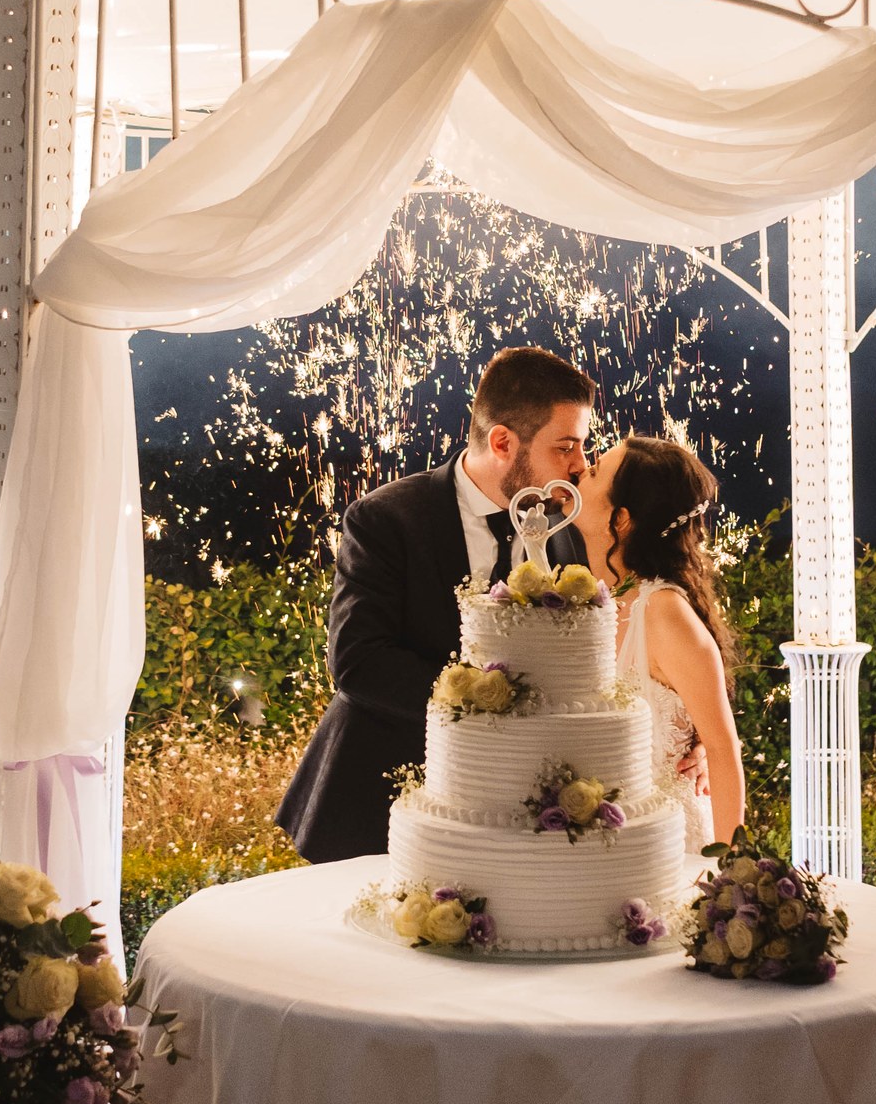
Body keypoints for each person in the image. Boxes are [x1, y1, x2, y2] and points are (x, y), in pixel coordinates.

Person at [275, 346, 596, 862]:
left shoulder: (564, 538)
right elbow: (359, 662)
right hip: (377, 799)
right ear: (502, 442)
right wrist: (490, 703)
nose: (580, 464)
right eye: (566, 447)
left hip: (504, 816)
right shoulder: (386, 518)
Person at [574, 434, 747, 852]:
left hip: (666, 846)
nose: (580, 471)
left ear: (621, 520)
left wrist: (728, 872)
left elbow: (724, 752)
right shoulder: (592, 595)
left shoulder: (665, 614)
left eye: (595, 472)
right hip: (594, 847)